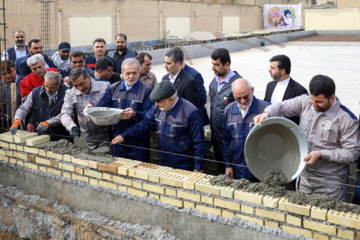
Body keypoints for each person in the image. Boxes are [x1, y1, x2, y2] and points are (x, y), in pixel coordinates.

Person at [254, 75, 360, 202]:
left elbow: (352, 153)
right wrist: (267, 113)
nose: (314, 105)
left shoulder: (347, 119)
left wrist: (321, 154)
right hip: (304, 178)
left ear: (332, 98)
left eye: (319, 102)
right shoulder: (305, 101)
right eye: (312, 100)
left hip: (331, 184)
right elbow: (282, 107)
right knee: (301, 217)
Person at [113, 81, 207, 172]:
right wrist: (124, 135)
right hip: (164, 160)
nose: (157, 104)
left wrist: (198, 167)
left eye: (159, 102)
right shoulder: (157, 108)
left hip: (184, 164)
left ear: (171, 99)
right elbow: (144, 124)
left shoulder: (191, 113)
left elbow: (199, 142)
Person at [86, 58, 153, 161]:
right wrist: (91, 110)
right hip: (118, 140)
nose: (131, 76)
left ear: (139, 72)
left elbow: (149, 119)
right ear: (122, 73)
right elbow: (103, 108)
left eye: (134, 73)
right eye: (128, 73)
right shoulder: (114, 88)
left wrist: (135, 114)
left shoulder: (147, 91)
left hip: (139, 144)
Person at [223, 78, 270, 180]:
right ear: (233, 94)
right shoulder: (228, 111)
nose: (243, 101)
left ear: (252, 90)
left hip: (261, 169)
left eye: (246, 97)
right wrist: (228, 165)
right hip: (238, 168)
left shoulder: (265, 110)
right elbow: (226, 141)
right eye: (238, 98)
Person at [209, 48, 242, 174]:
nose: (213, 68)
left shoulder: (238, 84)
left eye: (216, 65)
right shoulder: (214, 82)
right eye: (212, 64)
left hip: (231, 141)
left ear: (227, 65)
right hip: (217, 139)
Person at [60, 67, 111, 149]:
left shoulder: (105, 87)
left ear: (88, 77)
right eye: (76, 86)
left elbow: (112, 107)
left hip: (105, 137)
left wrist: (95, 109)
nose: (80, 88)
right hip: (85, 138)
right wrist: (72, 127)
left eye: (81, 84)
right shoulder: (70, 93)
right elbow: (65, 113)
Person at [10, 72, 68, 141]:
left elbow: (65, 114)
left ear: (59, 84)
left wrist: (49, 122)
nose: (48, 90)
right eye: (46, 86)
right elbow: (24, 108)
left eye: (51, 87)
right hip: (42, 134)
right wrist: (17, 119)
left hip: (61, 135)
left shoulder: (67, 93)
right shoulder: (35, 92)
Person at [264, 55, 307, 125]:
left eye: (272, 68)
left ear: (282, 71)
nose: (269, 70)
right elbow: (265, 105)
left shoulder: (300, 91)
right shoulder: (270, 85)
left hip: (286, 132)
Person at [182, 59, 209, 126]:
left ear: (178, 62)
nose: (165, 66)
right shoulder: (169, 77)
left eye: (169, 63)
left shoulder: (194, 75)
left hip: (194, 121)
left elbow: (202, 98)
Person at [0, 60, 22, 130]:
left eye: (10, 72)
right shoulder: (0, 85)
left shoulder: (24, 82)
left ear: (15, 69)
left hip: (21, 121)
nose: (8, 76)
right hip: (4, 123)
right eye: (4, 74)